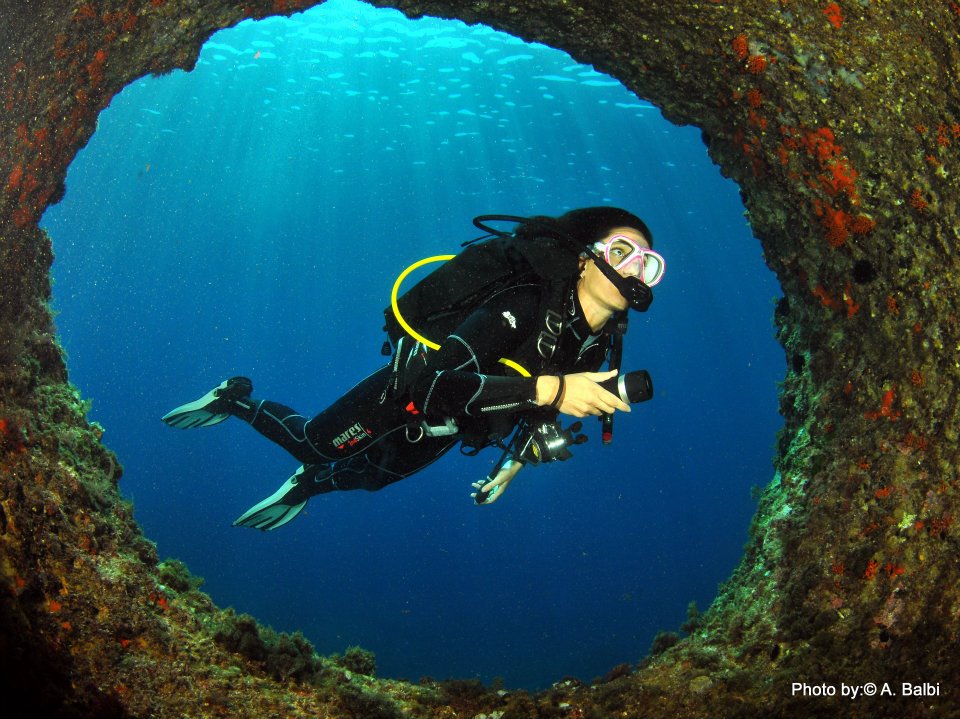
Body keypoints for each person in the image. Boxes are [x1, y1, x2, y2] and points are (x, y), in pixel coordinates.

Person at [161, 207, 665, 529]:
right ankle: (234, 397)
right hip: (407, 395)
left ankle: (306, 485)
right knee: (314, 443)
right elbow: (438, 385)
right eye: (621, 251)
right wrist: (552, 390)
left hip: (451, 427)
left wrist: (511, 468)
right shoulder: (526, 301)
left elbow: (543, 410)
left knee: (373, 478)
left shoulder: (594, 346)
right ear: (582, 260)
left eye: (648, 263)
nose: (633, 269)